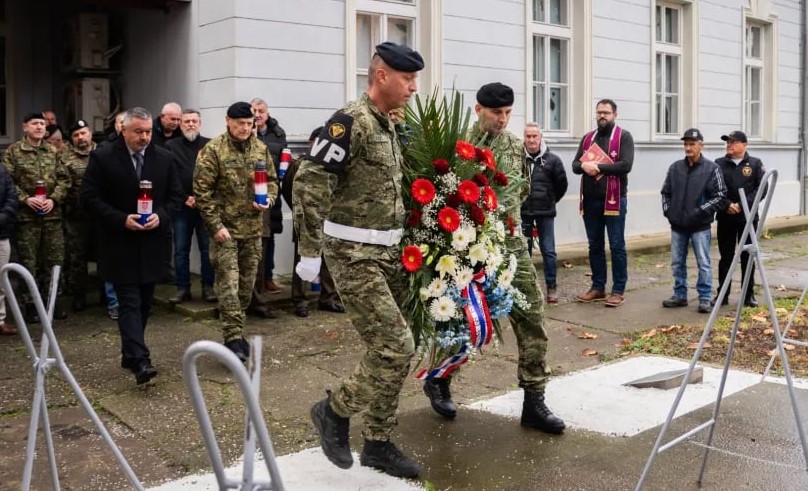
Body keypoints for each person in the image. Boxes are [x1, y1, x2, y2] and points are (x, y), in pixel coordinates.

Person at [294, 42, 423, 479]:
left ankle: (378, 442)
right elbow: (310, 181)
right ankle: (333, 411)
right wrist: (309, 250)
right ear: (382, 75)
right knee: (394, 344)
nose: (413, 87)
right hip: (353, 255)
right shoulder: (351, 121)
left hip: (389, 252)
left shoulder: (389, 124)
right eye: (408, 79)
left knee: (398, 349)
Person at [421, 82, 566, 436]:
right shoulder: (457, 147)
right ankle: (440, 379)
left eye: (507, 113)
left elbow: (523, 191)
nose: (503, 120)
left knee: (532, 317)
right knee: (462, 320)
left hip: (510, 246)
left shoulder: (515, 146)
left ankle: (534, 399)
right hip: (467, 248)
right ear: (478, 110)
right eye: (496, 113)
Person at [82, 107, 183, 385]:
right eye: (138, 131)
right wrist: (121, 219)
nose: (144, 137)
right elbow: (89, 198)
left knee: (144, 304)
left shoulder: (164, 157)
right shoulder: (103, 157)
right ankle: (141, 360)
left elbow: (175, 197)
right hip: (119, 243)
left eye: (148, 131)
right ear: (123, 130)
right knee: (128, 302)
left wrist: (160, 216)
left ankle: (130, 353)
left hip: (151, 243)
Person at [193, 101, 277, 362]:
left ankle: (236, 333)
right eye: (240, 124)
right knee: (228, 286)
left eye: (249, 124)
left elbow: (272, 182)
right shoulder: (213, 150)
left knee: (245, 287)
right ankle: (232, 339)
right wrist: (215, 226)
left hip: (252, 230)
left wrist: (268, 201)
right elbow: (202, 192)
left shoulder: (260, 149)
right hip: (225, 231)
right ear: (228, 121)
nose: (245, 128)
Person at [2, 112, 71, 322]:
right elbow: (7, 182)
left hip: (52, 217)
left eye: (42, 123)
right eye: (35, 124)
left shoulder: (53, 150)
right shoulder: (14, 151)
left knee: (54, 260)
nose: (40, 127)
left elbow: (64, 179)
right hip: (26, 218)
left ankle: (52, 303)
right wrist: (26, 199)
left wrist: (54, 199)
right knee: (29, 262)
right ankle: (32, 305)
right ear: (25, 127)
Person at [572, 99, 634, 308]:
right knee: (595, 245)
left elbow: (626, 165)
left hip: (615, 200)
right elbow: (575, 165)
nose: (602, 116)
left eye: (606, 113)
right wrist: (584, 166)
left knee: (616, 245)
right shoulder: (588, 138)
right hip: (591, 201)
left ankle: (618, 290)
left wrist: (596, 167)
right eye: (599, 112)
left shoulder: (624, 137)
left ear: (615, 115)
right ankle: (598, 286)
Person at [661, 128, 727, 314]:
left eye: (692, 144)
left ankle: (705, 298)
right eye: (686, 144)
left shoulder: (712, 169)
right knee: (677, 262)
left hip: (700, 226)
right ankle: (680, 294)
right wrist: (669, 212)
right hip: (678, 225)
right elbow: (666, 193)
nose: (688, 147)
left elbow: (720, 196)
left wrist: (699, 212)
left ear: (701, 146)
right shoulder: (675, 168)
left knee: (703, 263)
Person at [282, 126, 344, 318]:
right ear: (312, 143)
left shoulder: (334, 165)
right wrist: (301, 212)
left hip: (330, 221)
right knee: (303, 260)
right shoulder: (300, 164)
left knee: (329, 261)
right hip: (306, 221)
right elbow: (287, 190)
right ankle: (300, 301)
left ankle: (328, 298)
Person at [166, 109, 216, 304]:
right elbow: (170, 176)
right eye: (186, 121)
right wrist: (184, 196)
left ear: (200, 123)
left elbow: (214, 174)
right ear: (180, 124)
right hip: (181, 207)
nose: (190, 124)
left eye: (194, 121)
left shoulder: (210, 145)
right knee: (180, 250)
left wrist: (201, 197)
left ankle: (208, 287)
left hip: (205, 207)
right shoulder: (171, 146)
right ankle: (182, 288)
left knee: (207, 249)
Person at [715, 130, 765, 308]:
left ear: (744, 145)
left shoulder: (755, 164)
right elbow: (714, 188)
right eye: (727, 142)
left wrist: (743, 205)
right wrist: (727, 204)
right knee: (726, 257)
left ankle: (748, 295)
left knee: (747, 256)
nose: (729, 144)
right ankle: (723, 294)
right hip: (726, 216)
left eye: (733, 142)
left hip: (748, 218)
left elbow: (761, 189)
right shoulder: (719, 163)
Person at [521, 122, 568, 304]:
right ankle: (525, 289)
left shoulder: (553, 160)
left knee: (548, 251)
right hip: (524, 211)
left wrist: (550, 200)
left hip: (545, 212)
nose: (531, 140)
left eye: (535, 136)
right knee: (524, 252)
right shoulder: (519, 159)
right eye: (528, 136)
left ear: (541, 138)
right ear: (524, 138)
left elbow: (562, 185)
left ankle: (551, 287)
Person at [250, 98, 286, 295]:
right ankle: (255, 281)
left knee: (270, 236)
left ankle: (268, 277)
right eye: (254, 110)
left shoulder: (278, 133)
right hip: (252, 194)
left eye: (261, 110)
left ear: (267, 112)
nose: (257, 114)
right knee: (256, 239)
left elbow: (282, 158)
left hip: (272, 192)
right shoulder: (248, 133)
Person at [61, 119, 97, 312]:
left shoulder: (103, 153)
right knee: (78, 258)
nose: (81, 137)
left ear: (90, 133)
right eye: (76, 135)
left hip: (101, 216)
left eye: (83, 133)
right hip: (76, 217)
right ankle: (79, 295)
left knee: (104, 255)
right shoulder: (64, 157)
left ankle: (106, 296)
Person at [0, 160, 18, 335]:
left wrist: (2, 218)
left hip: (1, 234)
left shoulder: (2, 171)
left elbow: (12, 198)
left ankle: (0, 320)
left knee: (1, 281)